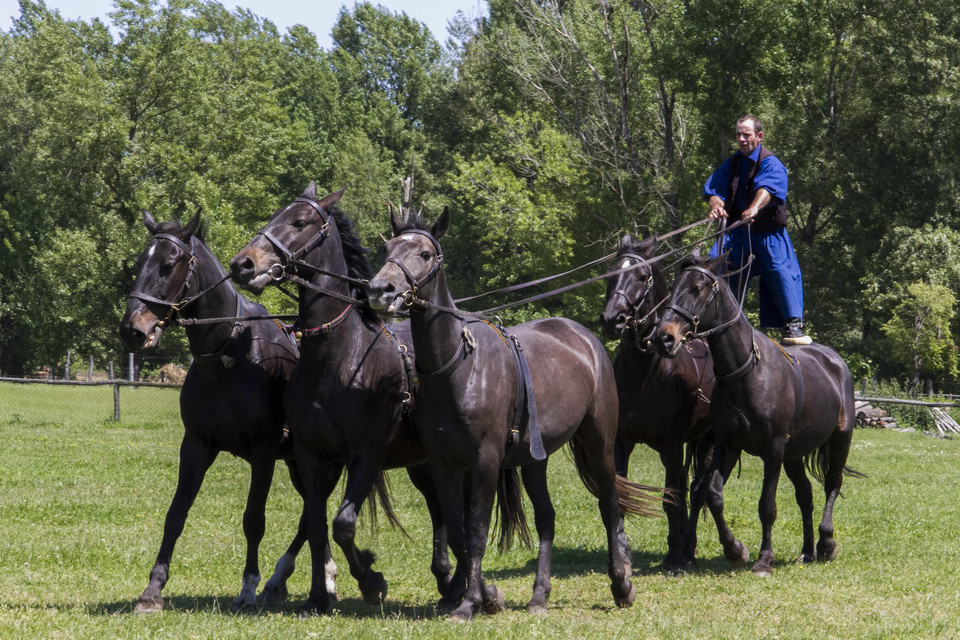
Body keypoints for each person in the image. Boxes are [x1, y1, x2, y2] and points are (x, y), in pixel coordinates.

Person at [704, 114, 811, 345]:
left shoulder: (770, 162)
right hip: (738, 232)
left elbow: (767, 190)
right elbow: (714, 190)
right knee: (714, 262)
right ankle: (714, 320)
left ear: (758, 136)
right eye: (738, 135)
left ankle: (794, 325)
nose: (741, 139)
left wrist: (753, 208)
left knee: (780, 270)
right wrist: (716, 206)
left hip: (768, 233)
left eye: (746, 135)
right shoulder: (731, 163)